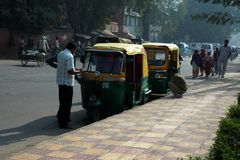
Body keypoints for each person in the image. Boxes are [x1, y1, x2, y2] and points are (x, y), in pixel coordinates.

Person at [55, 42, 80, 129]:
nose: (75, 52)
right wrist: (80, 71)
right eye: (75, 50)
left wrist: (76, 69)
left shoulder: (60, 54)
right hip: (67, 83)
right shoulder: (69, 56)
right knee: (67, 104)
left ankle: (61, 120)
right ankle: (64, 123)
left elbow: (66, 68)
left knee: (62, 103)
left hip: (60, 82)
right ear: (73, 49)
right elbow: (70, 71)